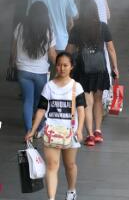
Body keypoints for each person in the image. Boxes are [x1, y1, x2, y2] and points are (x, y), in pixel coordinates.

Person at [24, 52, 86, 200]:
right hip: (51, 131)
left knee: (69, 164)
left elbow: (81, 111)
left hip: (70, 132)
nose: (62, 68)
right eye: (59, 65)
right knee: (52, 166)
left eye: (65, 65)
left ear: (71, 67)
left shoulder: (76, 87)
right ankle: (51, 198)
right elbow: (41, 110)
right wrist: (33, 130)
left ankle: (71, 190)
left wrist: (79, 129)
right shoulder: (49, 86)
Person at [66, 0, 119, 146]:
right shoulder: (102, 27)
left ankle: (89, 135)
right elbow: (111, 49)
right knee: (98, 100)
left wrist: (65, 65)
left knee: (87, 102)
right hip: (100, 68)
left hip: (83, 69)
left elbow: (69, 50)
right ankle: (98, 131)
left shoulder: (76, 28)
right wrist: (115, 67)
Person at [11, 2, 56, 133]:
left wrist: (14, 62)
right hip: (40, 72)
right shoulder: (48, 30)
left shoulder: (20, 27)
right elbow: (52, 54)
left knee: (28, 101)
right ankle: (39, 129)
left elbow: (14, 49)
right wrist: (62, 64)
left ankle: (28, 131)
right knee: (40, 102)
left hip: (23, 70)